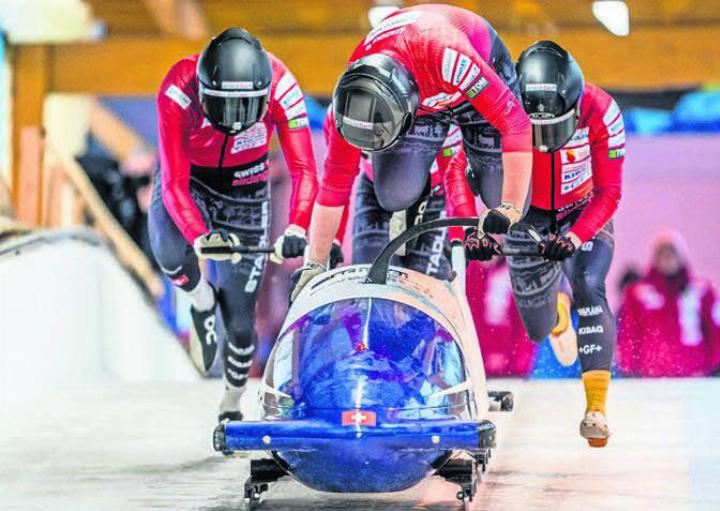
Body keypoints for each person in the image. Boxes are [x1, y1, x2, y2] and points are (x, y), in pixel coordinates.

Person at [290, 3, 532, 300]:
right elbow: (333, 187)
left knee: (501, 196)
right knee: (393, 193)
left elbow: (516, 124)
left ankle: (476, 164)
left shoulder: (451, 57)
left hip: (472, 79)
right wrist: (314, 264)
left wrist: (510, 204)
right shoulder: (348, 107)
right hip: (420, 88)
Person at [149, 28, 318, 422]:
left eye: (247, 108)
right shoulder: (177, 89)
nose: (235, 122)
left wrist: (296, 227)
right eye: (225, 108)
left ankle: (230, 403)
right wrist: (199, 236)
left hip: (246, 189)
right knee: (170, 252)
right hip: (189, 179)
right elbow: (173, 183)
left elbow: (305, 170)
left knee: (241, 324)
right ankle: (201, 302)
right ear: (203, 92)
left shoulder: (284, 88)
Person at [474, 41, 625, 447]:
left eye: (555, 129)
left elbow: (609, 191)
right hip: (528, 215)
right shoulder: (497, 106)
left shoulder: (603, 111)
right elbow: (464, 161)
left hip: (582, 211)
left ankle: (596, 408)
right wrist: (478, 230)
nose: (545, 142)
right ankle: (557, 315)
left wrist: (576, 236)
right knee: (538, 329)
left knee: (589, 284)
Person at [324, 107, 476, 278]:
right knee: (369, 280)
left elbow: (455, 183)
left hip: (432, 200)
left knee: (422, 290)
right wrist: (332, 239)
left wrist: (458, 236)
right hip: (374, 196)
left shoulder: (443, 121)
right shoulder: (343, 116)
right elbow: (336, 186)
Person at [617, 231, 720, 377]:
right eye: (662, 253)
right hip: (652, 377)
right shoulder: (638, 294)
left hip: (696, 375)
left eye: (672, 253)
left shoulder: (702, 291)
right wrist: (630, 368)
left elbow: (714, 330)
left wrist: (716, 366)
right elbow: (628, 333)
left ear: (681, 256)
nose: (667, 258)